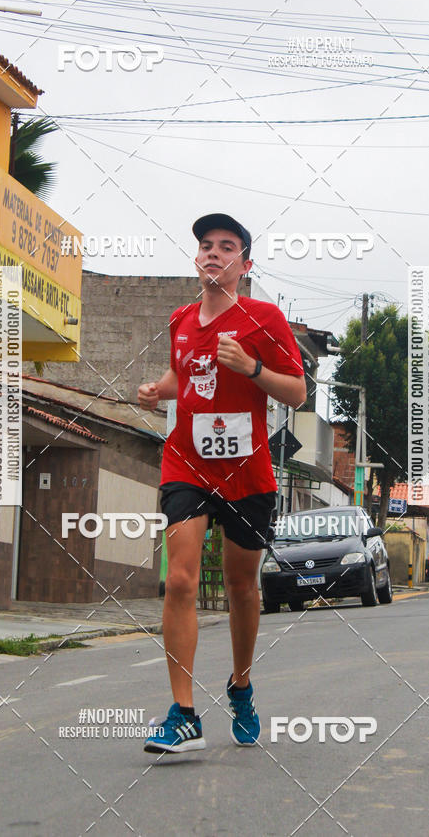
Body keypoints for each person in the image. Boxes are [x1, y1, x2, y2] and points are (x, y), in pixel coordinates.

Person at [138, 213, 306, 753]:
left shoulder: (263, 319)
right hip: (187, 462)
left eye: (226, 247)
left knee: (240, 586)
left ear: (244, 264)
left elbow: (297, 393)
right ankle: (184, 714)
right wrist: (156, 390)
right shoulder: (181, 318)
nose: (213, 253)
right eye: (206, 246)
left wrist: (253, 369)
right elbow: (180, 375)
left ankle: (240, 684)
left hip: (247, 470)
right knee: (182, 579)